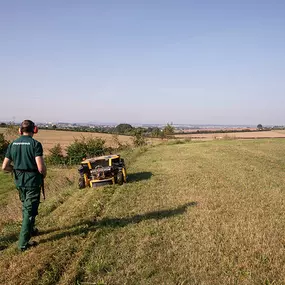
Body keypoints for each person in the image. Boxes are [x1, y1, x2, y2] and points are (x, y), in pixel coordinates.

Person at [1, 120, 47, 251]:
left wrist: (15, 170)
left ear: (20, 130)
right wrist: (44, 174)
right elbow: (40, 167)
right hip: (32, 181)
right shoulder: (35, 144)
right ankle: (22, 244)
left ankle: (31, 229)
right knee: (29, 210)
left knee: (26, 205)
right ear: (34, 130)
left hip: (19, 181)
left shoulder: (13, 144)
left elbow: (4, 167)